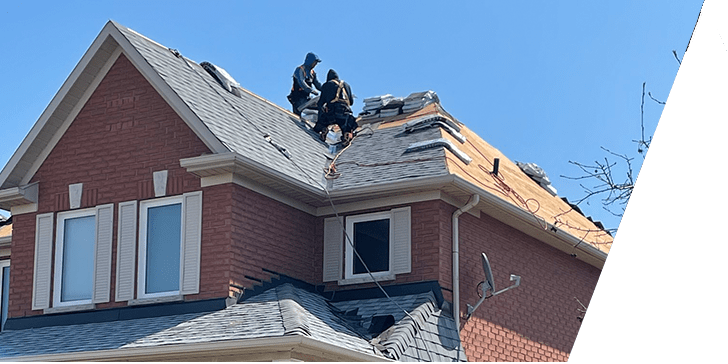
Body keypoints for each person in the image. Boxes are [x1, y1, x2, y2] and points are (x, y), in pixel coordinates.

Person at [314, 69, 358, 144]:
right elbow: (351, 102)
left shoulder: (327, 85)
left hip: (332, 113)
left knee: (318, 127)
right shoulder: (346, 85)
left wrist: (320, 117)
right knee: (347, 127)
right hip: (345, 114)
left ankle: (324, 129)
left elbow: (320, 103)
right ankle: (345, 136)